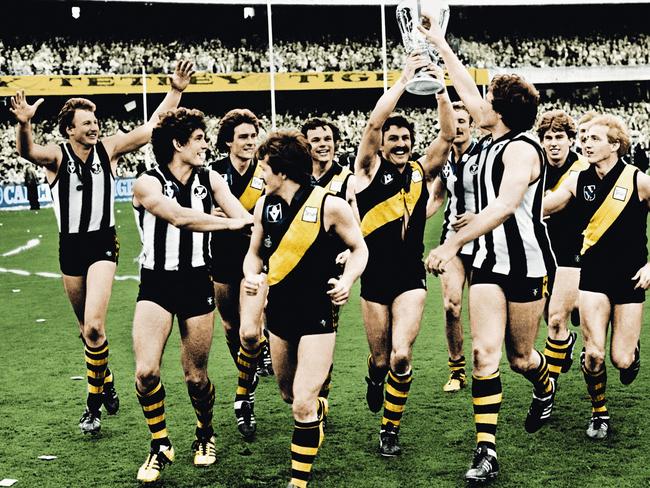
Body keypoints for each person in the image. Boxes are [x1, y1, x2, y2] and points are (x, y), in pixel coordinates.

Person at [10, 60, 194, 435]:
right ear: (69, 129)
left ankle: (92, 405)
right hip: (70, 248)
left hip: (101, 243)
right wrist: (24, 123)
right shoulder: (57, 157)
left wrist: (175, 91)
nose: (94, 127)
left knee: (95, 325)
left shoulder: (108, 150)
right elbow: (28, 151)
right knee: (87, 332)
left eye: (95, 121)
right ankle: (104, 378)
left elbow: (150, 128)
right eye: (86, 123)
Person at [420, 22, 556, 483]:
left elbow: (501, 208)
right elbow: (464, 85)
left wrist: (452, 241)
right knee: (484, 354)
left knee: (522, 358)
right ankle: (487, 450)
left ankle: (544, 383)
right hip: (488, 264)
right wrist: (439, 43)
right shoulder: (491, 136)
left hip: (526, 264)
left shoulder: (522, 150)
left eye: (486, 100)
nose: (476, 103)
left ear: (498, 111)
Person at [132, 107, 253, 483]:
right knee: (146, 371)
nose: (205, 145)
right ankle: (160, 444)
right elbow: (179, 217)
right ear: (178, 143)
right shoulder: (146, 183)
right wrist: (230, 223)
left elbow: (243, 217)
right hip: (156, 284)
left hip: (198, 280)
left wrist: (245, 223)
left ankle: (205, 432)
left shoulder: (211, 178)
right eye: (199, 138)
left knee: (196, 378)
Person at [242, 130, 368, 488]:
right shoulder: (264, 206)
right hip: (279, 315)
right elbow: (254, 254)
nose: (260, 175)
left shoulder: (330, 205)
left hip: (317, 315)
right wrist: (252, 276)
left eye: (264, 167)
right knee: (288, 394)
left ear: (281, 171)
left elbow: (360, 249)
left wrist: (346, 281)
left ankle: (298, 482)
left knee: (301, 402)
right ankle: (318, 410)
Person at [355, 53, 455, 456]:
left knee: (400, 355)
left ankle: (390, 430)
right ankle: (373, 377)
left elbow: (447, 137)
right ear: (382, 144)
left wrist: (441, 90)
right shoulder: (365, 169)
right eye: (393, 139)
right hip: (373, 278)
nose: (400, 143)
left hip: (410, 277)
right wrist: (404, 80)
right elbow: (374, 122)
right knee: (380, 361)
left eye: (405, 139)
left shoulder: (420, 170)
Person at [543, 114, 648, 441]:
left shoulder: (639, 180)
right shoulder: (578, 180)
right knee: (594, 353)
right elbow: (544, 206)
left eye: (594, 139)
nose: (585, 143)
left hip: (630, 279)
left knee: (619, 358)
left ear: (615, 145)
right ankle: (598, 412)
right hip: (593, 277)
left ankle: (631, 354)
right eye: (584, 138)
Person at [210, 108, 271, 441]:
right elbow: (194, 213)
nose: (250, 142)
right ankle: (247, 373)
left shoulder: (266, 172)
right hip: (220, 260)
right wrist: (208, 212)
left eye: (253, 136)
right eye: (243, 137)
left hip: (256, 260)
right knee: (232, 328)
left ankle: (243, 396)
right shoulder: (212, 174)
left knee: (251, 330)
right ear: (228, 142)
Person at [301, 117, 358, 405]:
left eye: (327, 139)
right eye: (316, 140)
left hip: (329, 270)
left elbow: (357, 226)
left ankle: (320, 398)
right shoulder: (297, 177)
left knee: (323, 332)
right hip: (295, 267)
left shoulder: (346, 180)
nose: (323, 145)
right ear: (306, 145)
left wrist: (350, 251)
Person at [428, 101, 482, 392]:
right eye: (453, 121)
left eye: (462, 121)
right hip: (451, 242)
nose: (458, 126)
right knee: (451, 305)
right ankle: (457, 370)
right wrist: (410, 218)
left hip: (484, 240)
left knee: (479, 308)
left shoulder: (485, 154)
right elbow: (436, 198)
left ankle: (483, 364)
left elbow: (501, 195)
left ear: (471, 124)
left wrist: (479, 215)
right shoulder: (444, 159)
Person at [537, 110, 587, 387]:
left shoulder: (582, 168)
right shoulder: (535, 168)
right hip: (543, 249)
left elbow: (557, 204)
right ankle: (565, 341)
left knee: (561, 315)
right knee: (551, 316)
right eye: (548, 137)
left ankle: (548, 388)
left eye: (560, 137)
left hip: (575, 249)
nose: (554, 142)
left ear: (571, 140)